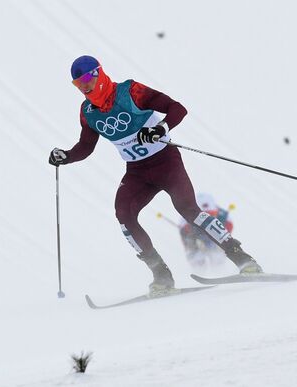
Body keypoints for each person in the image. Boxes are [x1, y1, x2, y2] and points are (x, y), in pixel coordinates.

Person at [49, 55, 262, 295]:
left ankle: (244, 260)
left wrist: (161, 128)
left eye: (87, 78)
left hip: (165, 162)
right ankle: (161, 275)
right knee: (124, 215)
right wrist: (65, 156)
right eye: (77, 83)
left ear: (99, 73)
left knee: (188, 210)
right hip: (137, 171)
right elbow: (86, 147)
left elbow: (177, 109)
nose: (84, 86)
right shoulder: (87, 111)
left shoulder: (131, 92)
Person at [179, 193, 233, 268]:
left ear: (216, 211)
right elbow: (187, 241)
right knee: (197, 258)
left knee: (217, 255)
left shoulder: (225, 218)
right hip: (196, 239)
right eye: (204, 217)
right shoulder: (186, 223)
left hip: (215, 239)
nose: (208, 221)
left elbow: (227, 236)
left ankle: (219, 269)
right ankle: (199, 269)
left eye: (211, 214)